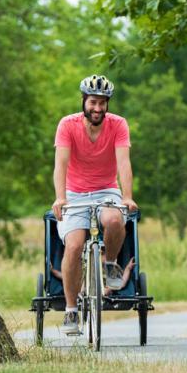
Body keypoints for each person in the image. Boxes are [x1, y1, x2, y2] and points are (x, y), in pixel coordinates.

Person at [52, 75, 137, 335]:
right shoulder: (67, 125)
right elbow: (61, 165)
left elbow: (123, 163)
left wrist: (127, 196)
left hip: (106, 190)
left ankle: (110, 264)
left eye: (102, 103)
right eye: (93, 102)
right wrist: (60, 196)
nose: (97, 108)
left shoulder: (118, 125)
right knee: (75, 245)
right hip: (74, 194)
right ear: (84, 101)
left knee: (114, 220)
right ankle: (70, 311)